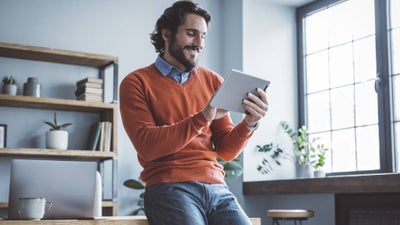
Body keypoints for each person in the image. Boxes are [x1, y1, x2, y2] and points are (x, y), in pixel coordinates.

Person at [119, 1, 269, 224]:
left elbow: (226, 151)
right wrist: (203, 117)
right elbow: (148, 146)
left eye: (204, 36)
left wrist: (249, 124)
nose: (199, 43)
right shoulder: (136, 82)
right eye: (191, 33)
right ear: (167, 35)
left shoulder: (213, 81)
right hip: (169, 186)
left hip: (218, 188)